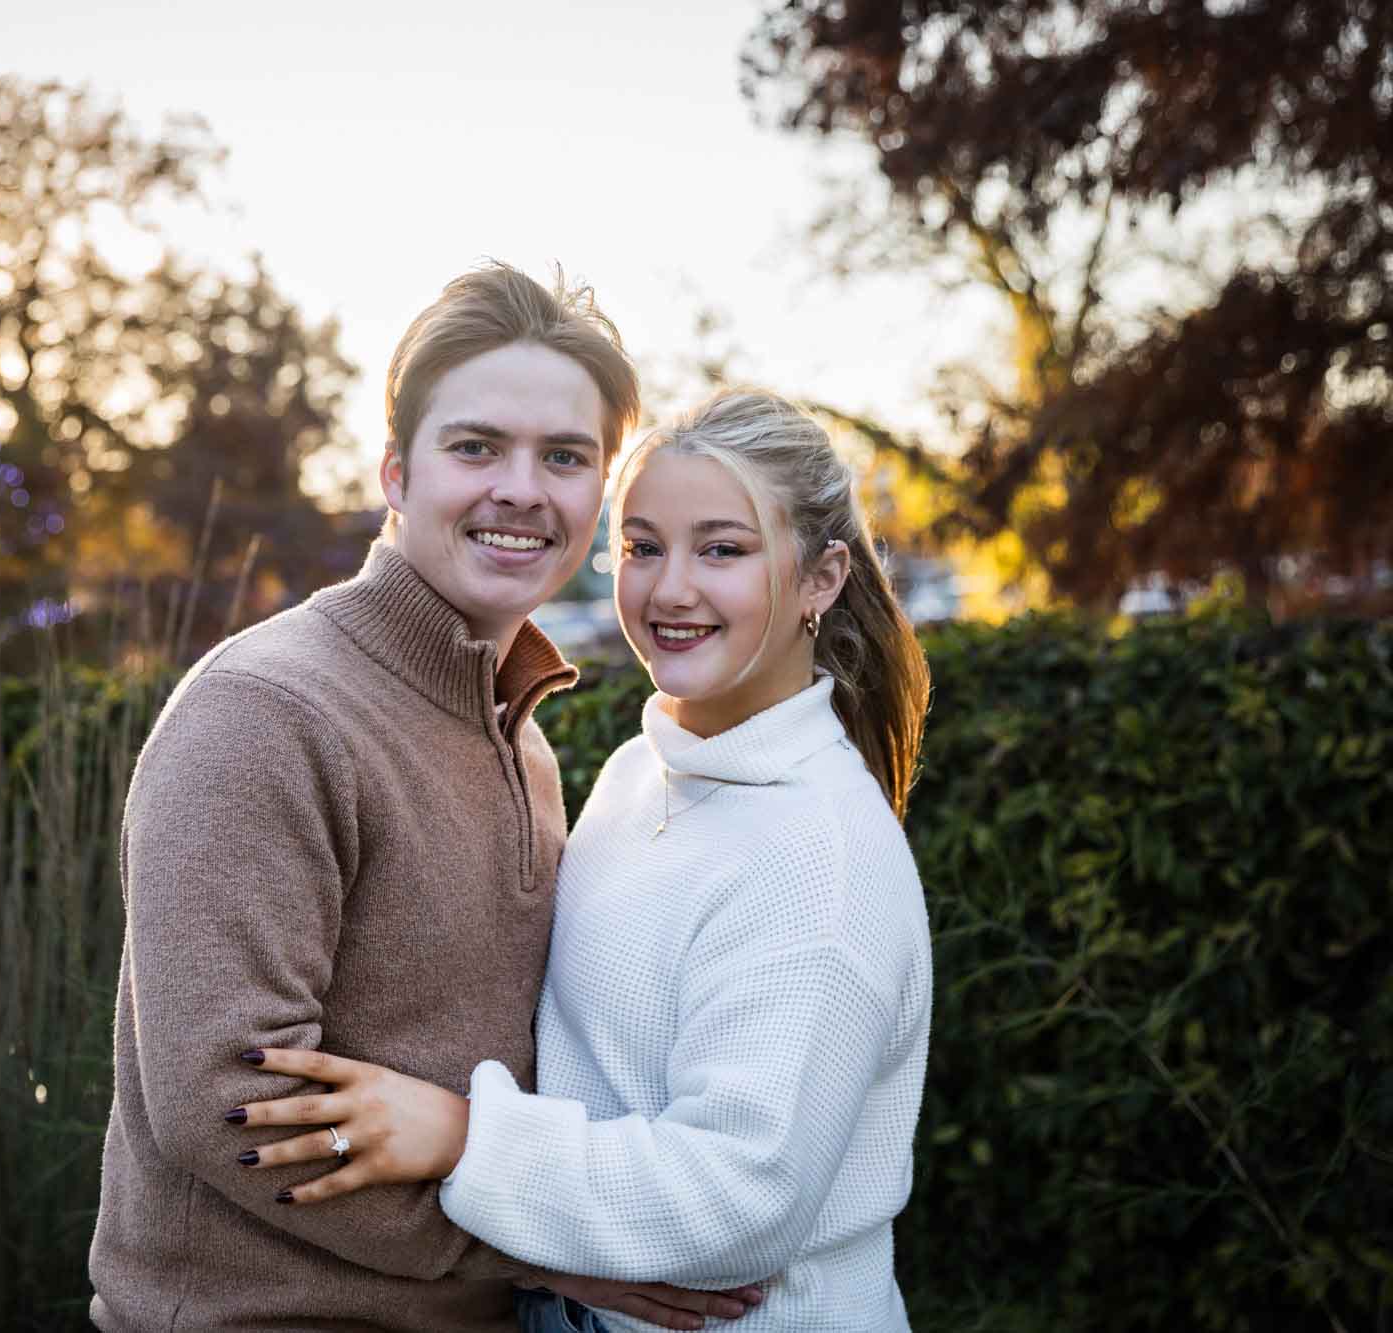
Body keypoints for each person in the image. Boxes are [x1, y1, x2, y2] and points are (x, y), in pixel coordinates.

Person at [88, 265, 764, 1332]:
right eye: (475, 447)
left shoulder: (522, 739)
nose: (521, 489)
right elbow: (230, 1105)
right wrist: (550, 1242)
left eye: (564, 457)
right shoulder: (264, 712)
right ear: (395, 474)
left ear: (599, 494)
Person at [233, 389, 934, 1332]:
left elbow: (737, 1200)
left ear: (821, 577)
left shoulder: (821, 859)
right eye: (642, 546)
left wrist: (462, 1134)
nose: (670, 589)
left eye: (721, 549)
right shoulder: (640, 770)